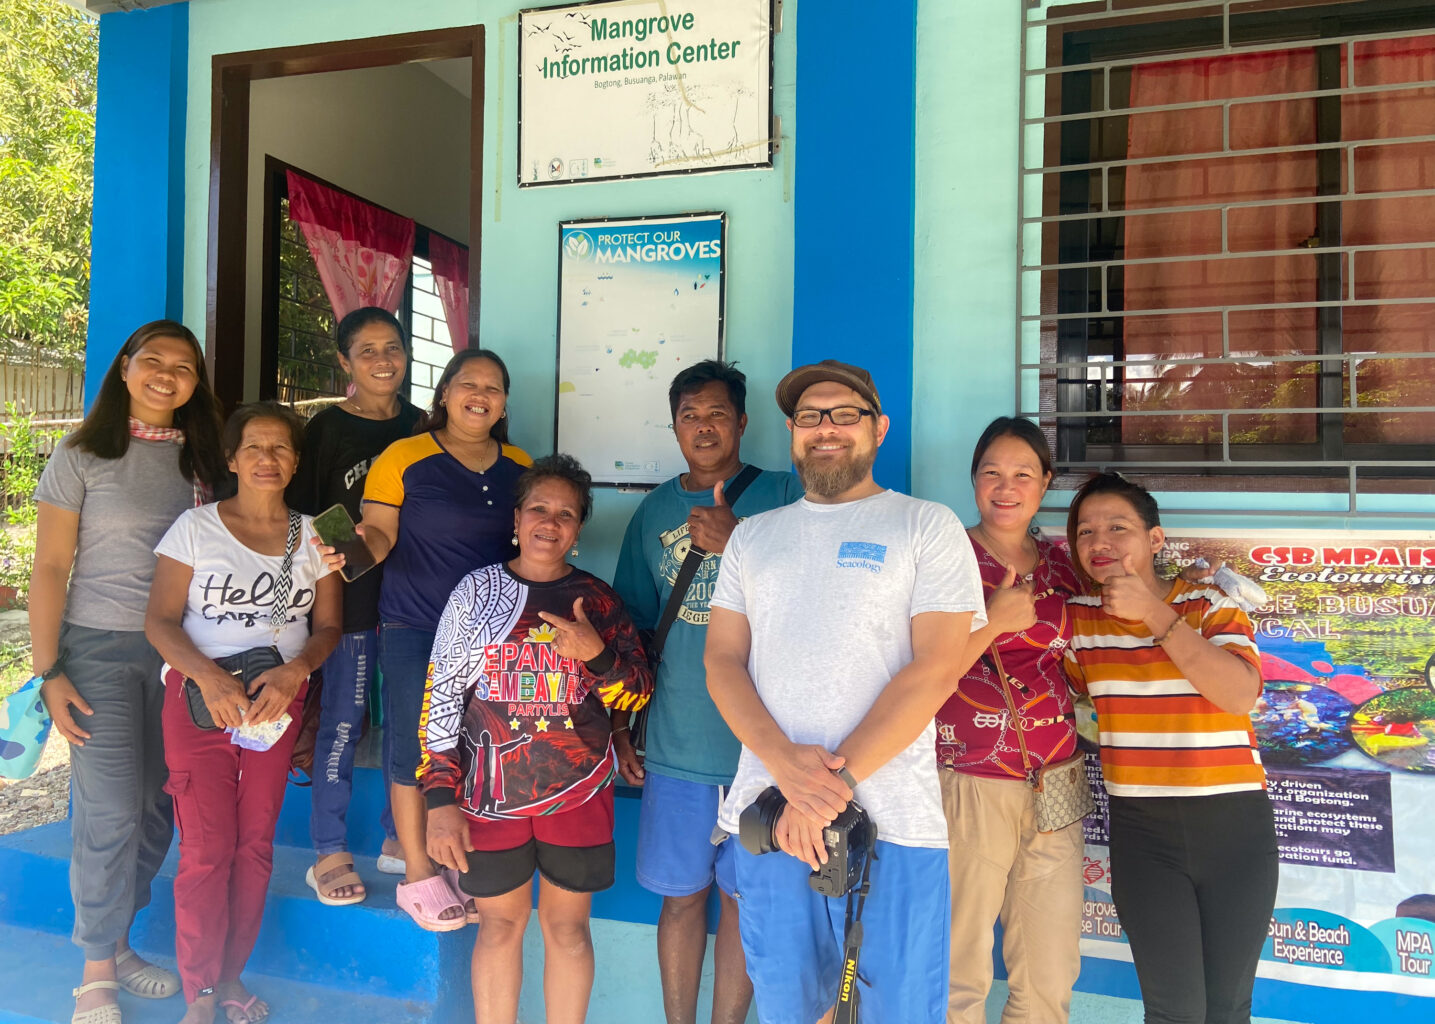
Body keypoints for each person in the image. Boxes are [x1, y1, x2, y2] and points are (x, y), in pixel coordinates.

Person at [705, 359, 986, 1024]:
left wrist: (827, 787)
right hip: (772, 819)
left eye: (843, 414)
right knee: (788, 1009)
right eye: (809, 417)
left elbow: (935, 668)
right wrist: (787, 773)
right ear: (791, 432)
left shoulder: (925, 526)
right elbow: (721, 661)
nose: (824, 428)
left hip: (894, 824)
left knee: (900, 1012)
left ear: (878, 428)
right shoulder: (753, 537)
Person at [30, 320, 227, 1024]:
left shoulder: (210, 460)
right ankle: (94, 975)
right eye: (153, 361)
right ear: (125, 369)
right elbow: (50, 567)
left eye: (183, 365)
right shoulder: (83, 455)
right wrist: (48, 669)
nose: (166, 375)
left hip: (183, 657)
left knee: (157, 807)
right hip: (101, 653)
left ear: (197, 381)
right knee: (110, 809)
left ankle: (115, 943)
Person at [420, 454, 653, 1024]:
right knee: (499, 927)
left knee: (568, 931)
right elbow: (442, 699)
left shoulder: (596, 600)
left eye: (566, 514)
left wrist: (594, 654)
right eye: (539, 509)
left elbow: (638, 694)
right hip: (489, 794)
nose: (551, 523)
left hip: (577, 790)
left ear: (579, 528)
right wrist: (439, 799)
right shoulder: (478, 592)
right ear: (518, 518)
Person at [612, 360, 803, 1024]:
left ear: (743, 423)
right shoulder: (654, 511)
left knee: (743, 899)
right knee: (681, 897)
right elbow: (633, 631)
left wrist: (738, 541)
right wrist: (621, 728)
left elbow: (821, 601)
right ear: (672, 426)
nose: (702, 426)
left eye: (716, 413)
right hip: (676, 742)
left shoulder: (784, 495)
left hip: (764, 748)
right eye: (689, 414)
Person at [145, 402, 341, 1024]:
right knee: (206, 848)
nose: (267, 459)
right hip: (199, 700)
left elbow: (330, 626)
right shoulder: (195, 528)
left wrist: (295, 671)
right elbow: (159, 621)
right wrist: (206, 675)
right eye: (253, 447)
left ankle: (231, 978)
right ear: (231, 459)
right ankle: (199, 991)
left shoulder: (319, 534)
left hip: (276, 702)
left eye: (281, 448)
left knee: (255, 845)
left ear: (296, 461)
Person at [1063, 472, 1276, 1024]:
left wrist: (1155, 613)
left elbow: (1239, 693)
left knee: (1229, 1008)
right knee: (1173, 1009)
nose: (1100, 542)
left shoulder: (1209, 606)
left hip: (1236, 828)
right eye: (1085, 531)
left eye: (1118, 527)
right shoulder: (1079, 622)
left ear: (1155, 540)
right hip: (1144, 834)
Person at [338, 348, 531, 930]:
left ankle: (452, 864)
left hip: (492, 632)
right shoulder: (405, 456)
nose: (480, 395)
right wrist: (341, 553)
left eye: (493, 388)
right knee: (414, 748)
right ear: (444, 393)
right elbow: (377, 536)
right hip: (416, 626)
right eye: (467, 384)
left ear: (503, 403)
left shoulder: (520, 465)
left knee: (472, 747)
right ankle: (418, 872)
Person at [934, 417, 1085, 1024]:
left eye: (1023, 474)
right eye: (991, 472)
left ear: (1045, 482)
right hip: (969, 781)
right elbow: (917, 673)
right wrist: (992, 623)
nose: (1006, 486)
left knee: (1050, 974)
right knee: (956, 969)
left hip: (1057, 783)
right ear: (973, 482)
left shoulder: (1063, 567)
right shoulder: (943, 557)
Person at [286, 307, 422, 904]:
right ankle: (329, 848)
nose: (383, 360)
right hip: (350, 599)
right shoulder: (324, 433)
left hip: (418, 600)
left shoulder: (426, 425)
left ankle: (401, 837)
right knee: (341, 721)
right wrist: (346, 571)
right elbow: (306, 517)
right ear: (344, 361)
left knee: (410, 724)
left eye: (392, 347)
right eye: (367, 351)